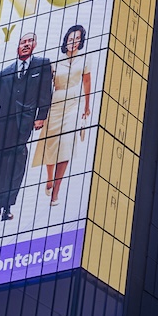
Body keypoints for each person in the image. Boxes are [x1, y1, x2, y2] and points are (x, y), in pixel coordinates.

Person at [0, 32, 54, 221]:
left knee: (17, 161)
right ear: (18, 47)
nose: (26, 44)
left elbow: (46, 92)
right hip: (3, 124)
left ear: (35, 45)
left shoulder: (42, 64)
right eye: (23, 42)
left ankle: (8, 205)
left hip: (24, 122)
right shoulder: (4, 73)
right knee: (0, 162)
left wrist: (41, 116)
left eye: (30, 41)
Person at [32, 24, 93, 206]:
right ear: (66, 40)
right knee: (51, 145)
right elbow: (44, 89)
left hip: (74, 104)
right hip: (55, 104)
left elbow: (87, 83)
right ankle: (49, 178)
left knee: (66, 146)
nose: (73, 42)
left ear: (81, 42)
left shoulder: (85, 60)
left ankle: (56, 191)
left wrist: (87, 107)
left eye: (77, 40)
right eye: (71, 39)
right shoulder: (55, 63)